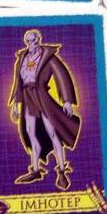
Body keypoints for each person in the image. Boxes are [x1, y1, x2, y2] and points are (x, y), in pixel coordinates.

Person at [8, 29, 81, 191]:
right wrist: (15, 105)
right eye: (28, 41)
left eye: (33, 41)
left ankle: (61, 171)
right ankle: (35, 170)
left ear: (38, 40)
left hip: (42, 97)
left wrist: (67, 101)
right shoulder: (22, 58)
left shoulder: (48, 57)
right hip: (27, 98)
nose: (30, 44)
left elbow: (62, 76)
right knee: (31, 133)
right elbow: (18, 83)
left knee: (53, 133)